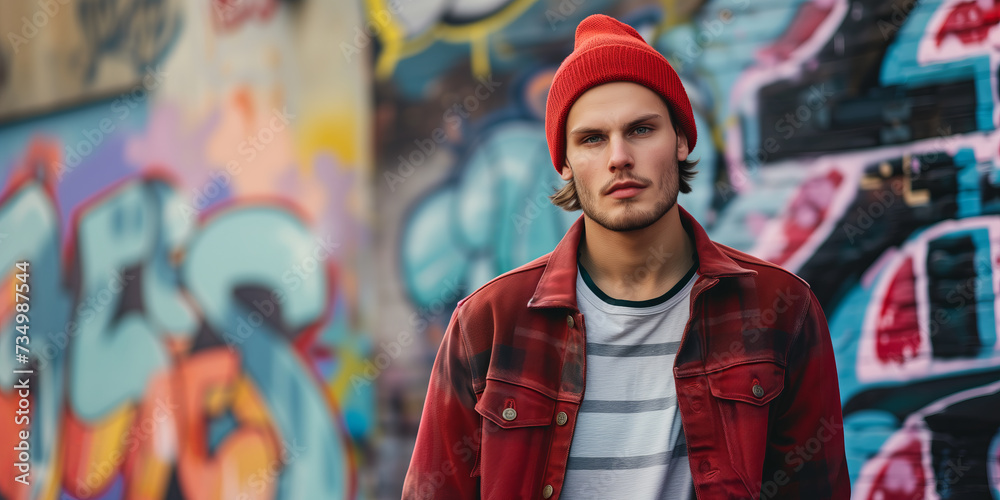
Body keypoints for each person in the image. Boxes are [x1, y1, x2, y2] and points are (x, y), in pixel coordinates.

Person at [402, 13, 849, 500]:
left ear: (680, 140)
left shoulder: (779, 310)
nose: (619, 156)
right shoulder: (488, 323)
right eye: (592, 138)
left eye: (640, 130)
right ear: (567, 164)